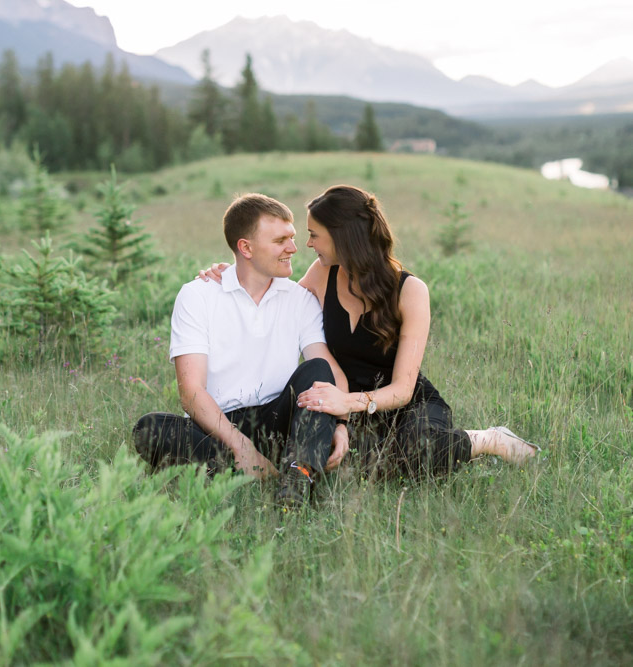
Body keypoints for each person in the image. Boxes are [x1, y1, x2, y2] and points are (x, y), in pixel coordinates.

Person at [201, 185, 540, 481]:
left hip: (405, 404)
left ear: (342, 236)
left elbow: (404, 389)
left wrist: (345, 402)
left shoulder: (410, 290)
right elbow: (279, 299)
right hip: (348, 409)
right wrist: (230, 272)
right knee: (355, 465)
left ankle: (486, 440)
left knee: (417, 451)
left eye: (314, 235)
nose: (307, 244)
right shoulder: (322, 274)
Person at [133, 193, 350, 507]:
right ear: (245, 247)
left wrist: (340, 423)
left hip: (281, 420)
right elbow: (191, 393)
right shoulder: (199, 296)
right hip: (219, 427)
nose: (293, 248)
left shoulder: (299, 299)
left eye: (292, 238)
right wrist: (241, 447)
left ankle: (296, 480)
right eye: (280, 241)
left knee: (317, 371)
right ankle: (251, 467)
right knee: (149, 429)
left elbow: (327, 372)